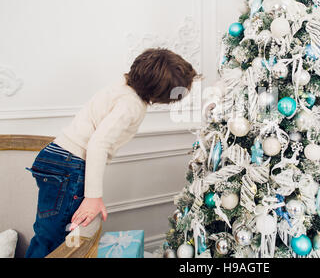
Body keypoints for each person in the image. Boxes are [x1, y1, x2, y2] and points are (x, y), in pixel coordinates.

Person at [25, 48, 199, 258]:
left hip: (55, 156)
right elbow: (98, 144)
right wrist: (93, 197)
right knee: (54, 239)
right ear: (160, 94)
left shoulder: (121, 86)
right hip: (69, 165)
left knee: (47, 233)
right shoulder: (131, 105)